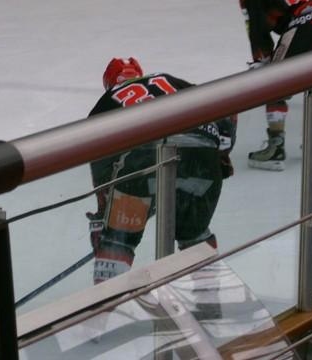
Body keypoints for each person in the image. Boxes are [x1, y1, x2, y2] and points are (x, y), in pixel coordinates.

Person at [87, 57, 234, 284]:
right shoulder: (168, 79)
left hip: (146, 158)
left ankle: (106, 302)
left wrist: (104, 218)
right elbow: (225, 117)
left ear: (109, 83)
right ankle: (208, 297)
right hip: (203, 159)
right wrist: (221, 154)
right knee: (195, 236)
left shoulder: (106, 101)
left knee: (119, 241)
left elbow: (100, 163)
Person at [236, 0, 312, 170]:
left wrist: (262, 59)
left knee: (274, 85)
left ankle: (276, 147)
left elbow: (258, 29)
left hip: (305, 27)